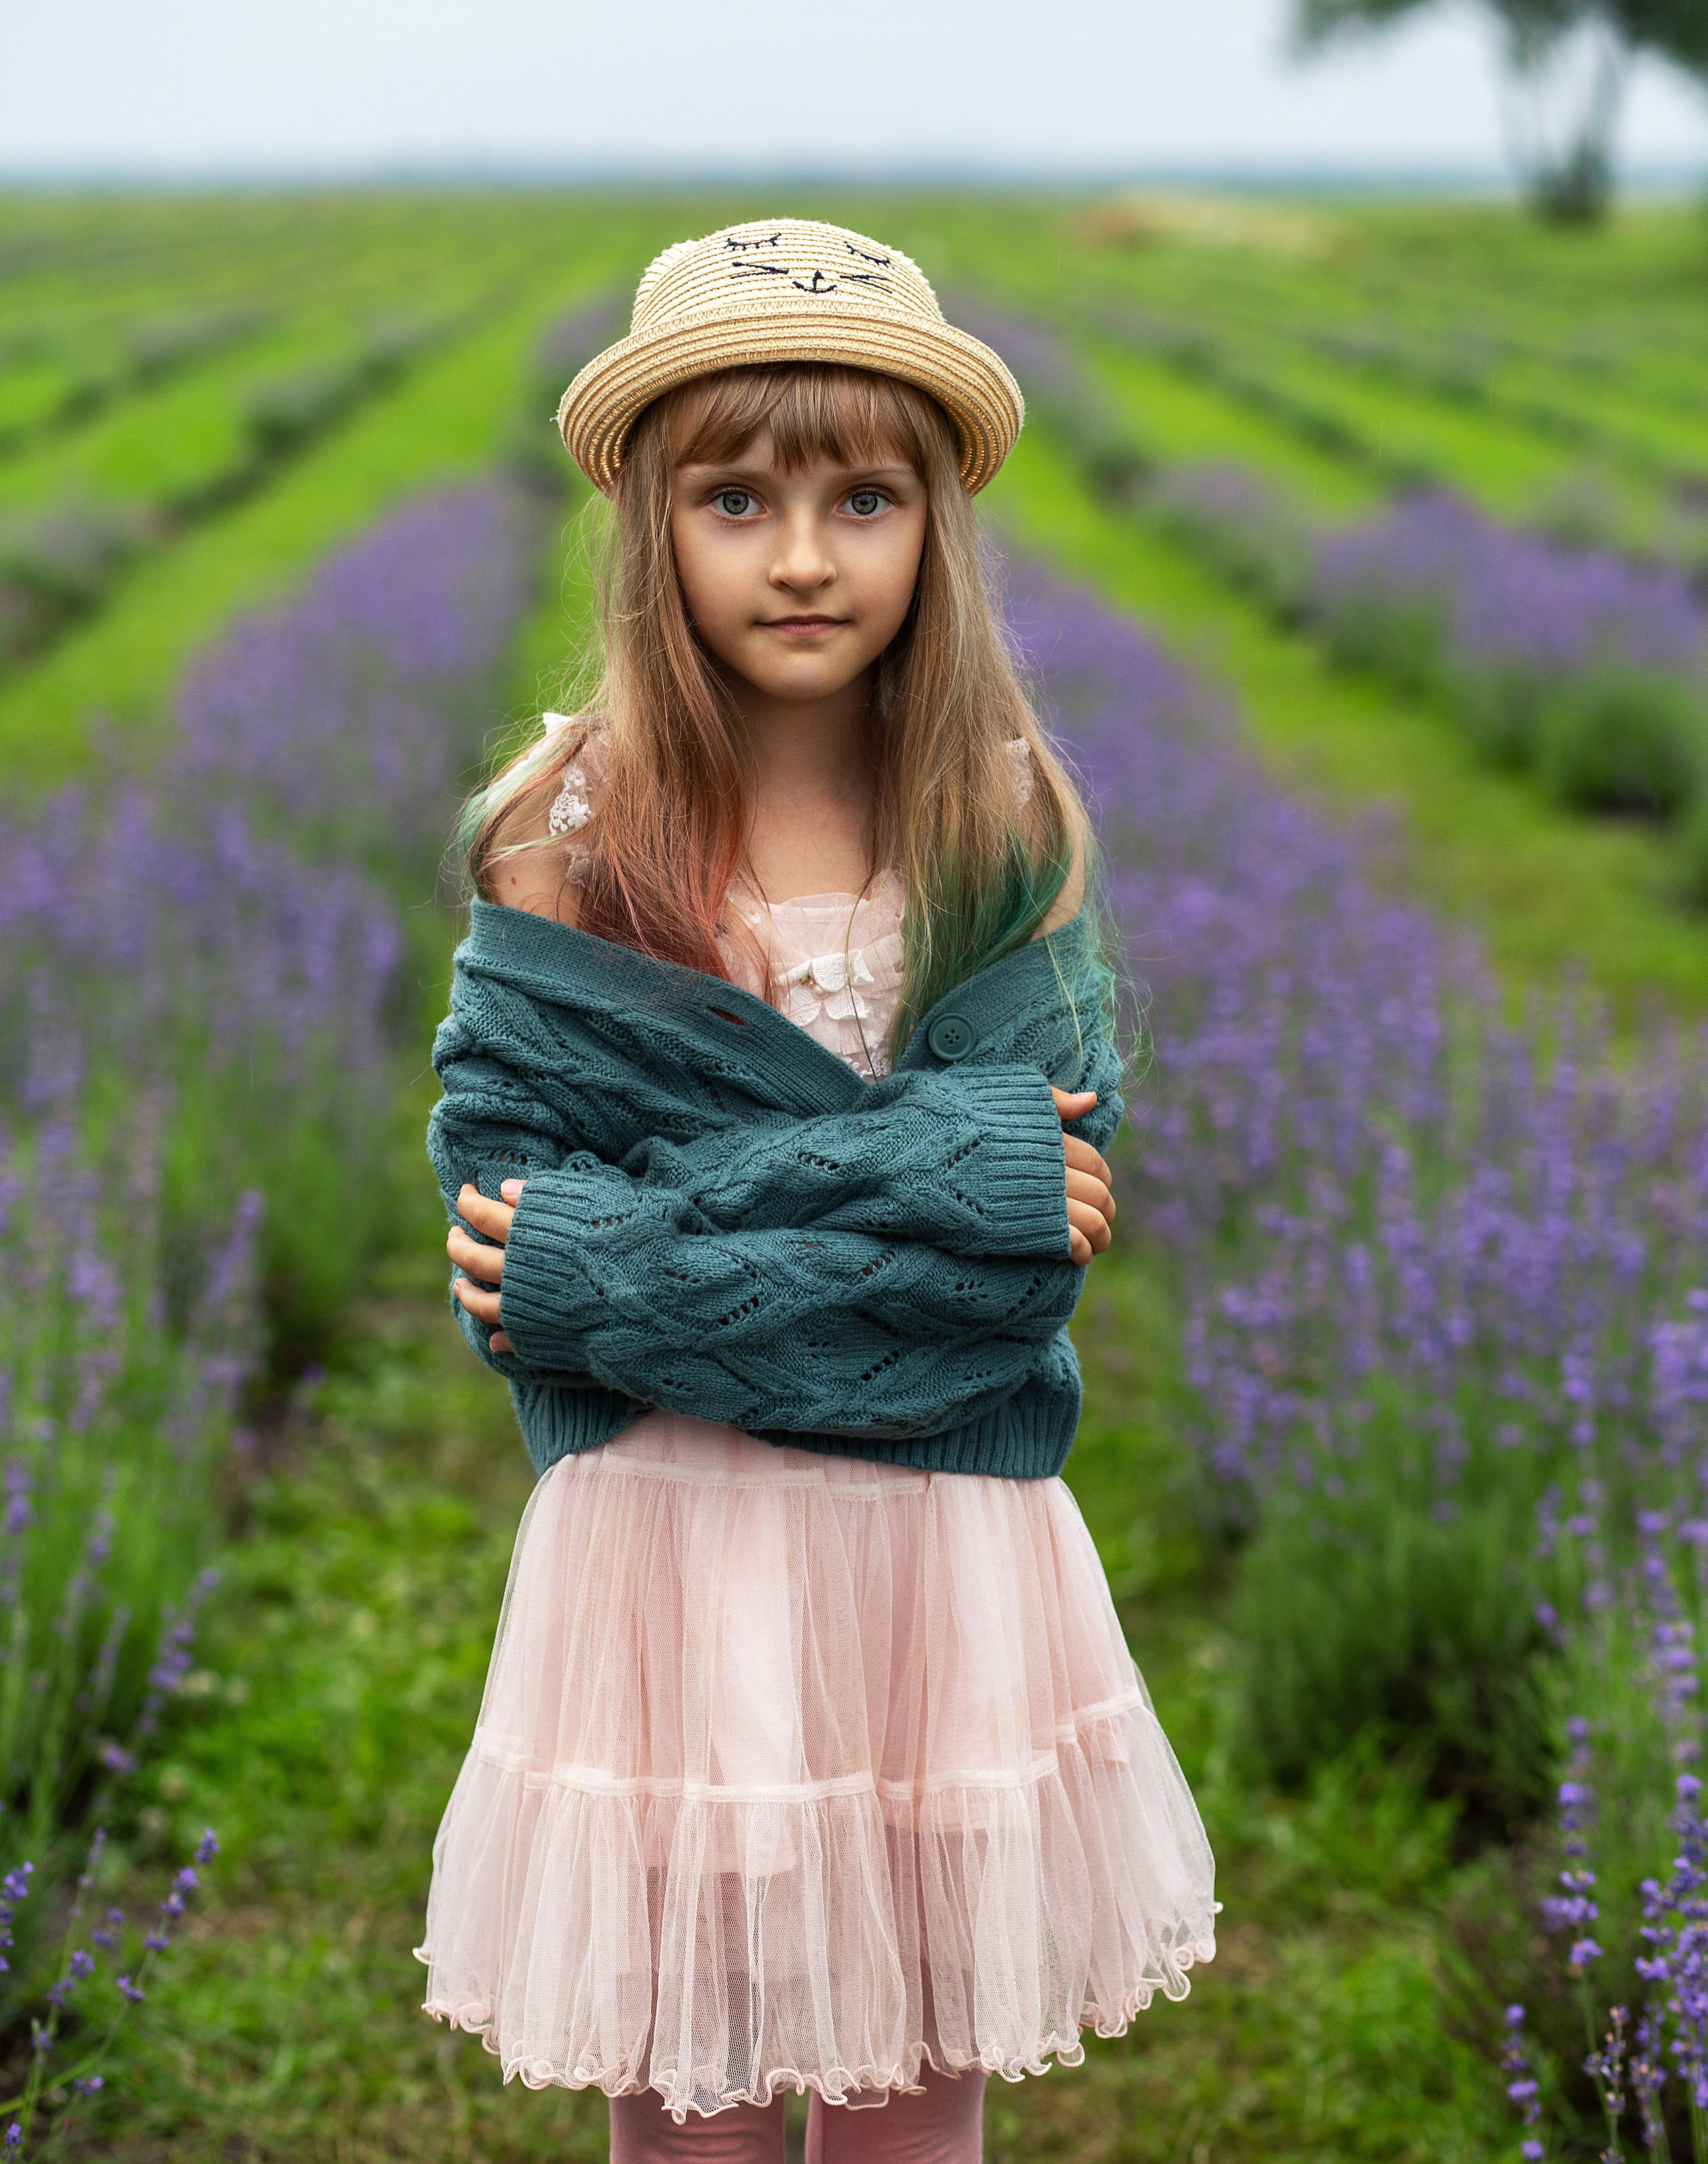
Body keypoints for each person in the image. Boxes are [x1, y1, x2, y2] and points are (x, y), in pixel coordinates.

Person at [417, 218, 1215, 2163]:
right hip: (672, 1562)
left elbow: (1010, 1291)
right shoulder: (564, 840)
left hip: (937, 1556)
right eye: (737, 497)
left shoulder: (1001, 822)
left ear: (936, 526)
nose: (800, 554)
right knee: (681, 2106)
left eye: (864, 496)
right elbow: (517, 1259)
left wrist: (635, 1253)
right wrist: (950, 1169)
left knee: (904, 2111)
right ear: (650, 526)